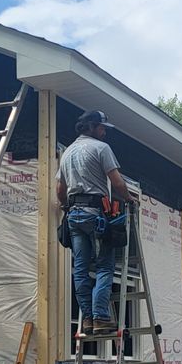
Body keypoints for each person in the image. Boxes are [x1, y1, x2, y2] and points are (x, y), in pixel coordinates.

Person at [56, 109, 130, 337]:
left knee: (80, 269)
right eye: (102, 128)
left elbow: (60, 190)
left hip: (74, 216)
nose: (104, 133)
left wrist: (67, 207)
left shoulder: (67, 153)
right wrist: (128, 199)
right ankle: (100, 317)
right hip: (96, 213)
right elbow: (116, 182)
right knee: (105, 266)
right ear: (92, 126)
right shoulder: (101, 149)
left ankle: (86, 318)